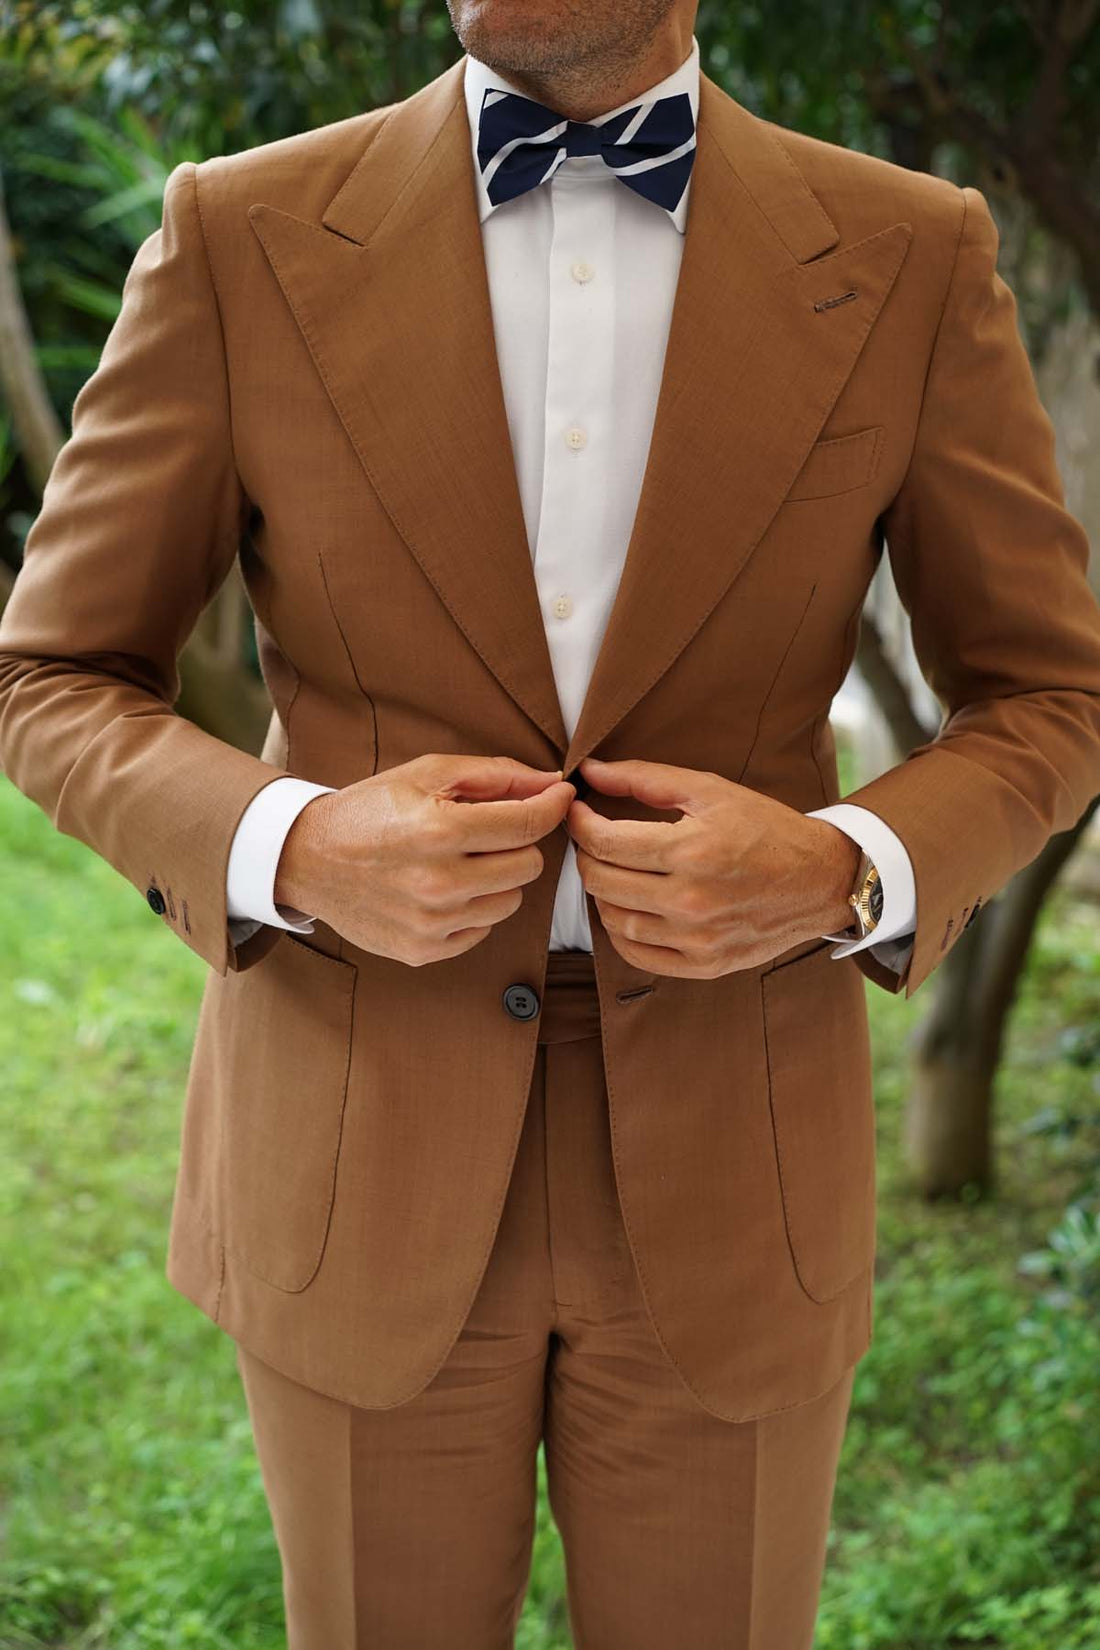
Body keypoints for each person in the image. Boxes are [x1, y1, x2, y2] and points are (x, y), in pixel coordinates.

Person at [2, 0, 1099, 1643]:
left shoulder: (910, 252)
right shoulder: (235, 231)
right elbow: (53, 671)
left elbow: (1051, 695)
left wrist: (837, 868)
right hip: (355, 1143)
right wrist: (289, 842)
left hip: (743, 1161)